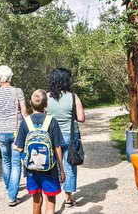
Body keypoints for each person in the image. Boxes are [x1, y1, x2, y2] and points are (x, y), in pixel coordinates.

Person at [15, 89, 65, 214]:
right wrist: (62, 170)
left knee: (36, 201)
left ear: (30, 104)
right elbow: (57, 147)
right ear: (46, 105)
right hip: (50, 169)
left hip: (31, 170)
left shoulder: (25, 122)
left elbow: (19, 148)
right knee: (50, 200)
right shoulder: (52, 121)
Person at [0, 65, 28, 206]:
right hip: (17, 132)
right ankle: (12, 196)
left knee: (6, 160)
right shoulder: (18, 92)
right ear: (10, 77)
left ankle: (8, 188)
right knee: (16, 163)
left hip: (1, 132)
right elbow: (24, 112)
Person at [46, 68, 85, 208]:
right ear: (66, 81)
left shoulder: (46, 97)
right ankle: (68, 200)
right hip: (70, 136)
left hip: (52, 136)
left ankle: (52, 198)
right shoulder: (73, 97)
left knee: (53, 166)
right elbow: (81, 118)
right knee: (70, 167)